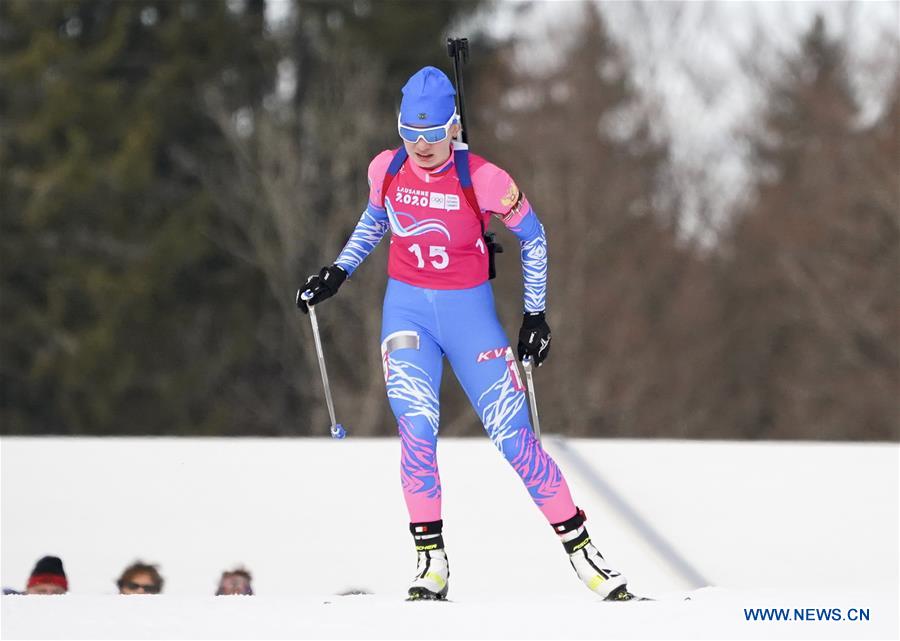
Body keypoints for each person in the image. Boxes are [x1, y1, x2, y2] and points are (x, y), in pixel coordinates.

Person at [297, 66, 634, 601]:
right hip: (407, 314)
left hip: (469, 318)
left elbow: (535, 238)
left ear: (454, 127)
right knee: (417, 429)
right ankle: (430, 562)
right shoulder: (385, 169)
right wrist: (336, 273)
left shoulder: (485, 178)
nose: (422, 146)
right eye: (411, 134)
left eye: (433, 135)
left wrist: (535, 316)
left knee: (515, 439)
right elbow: (374, 219)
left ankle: (583, 552)